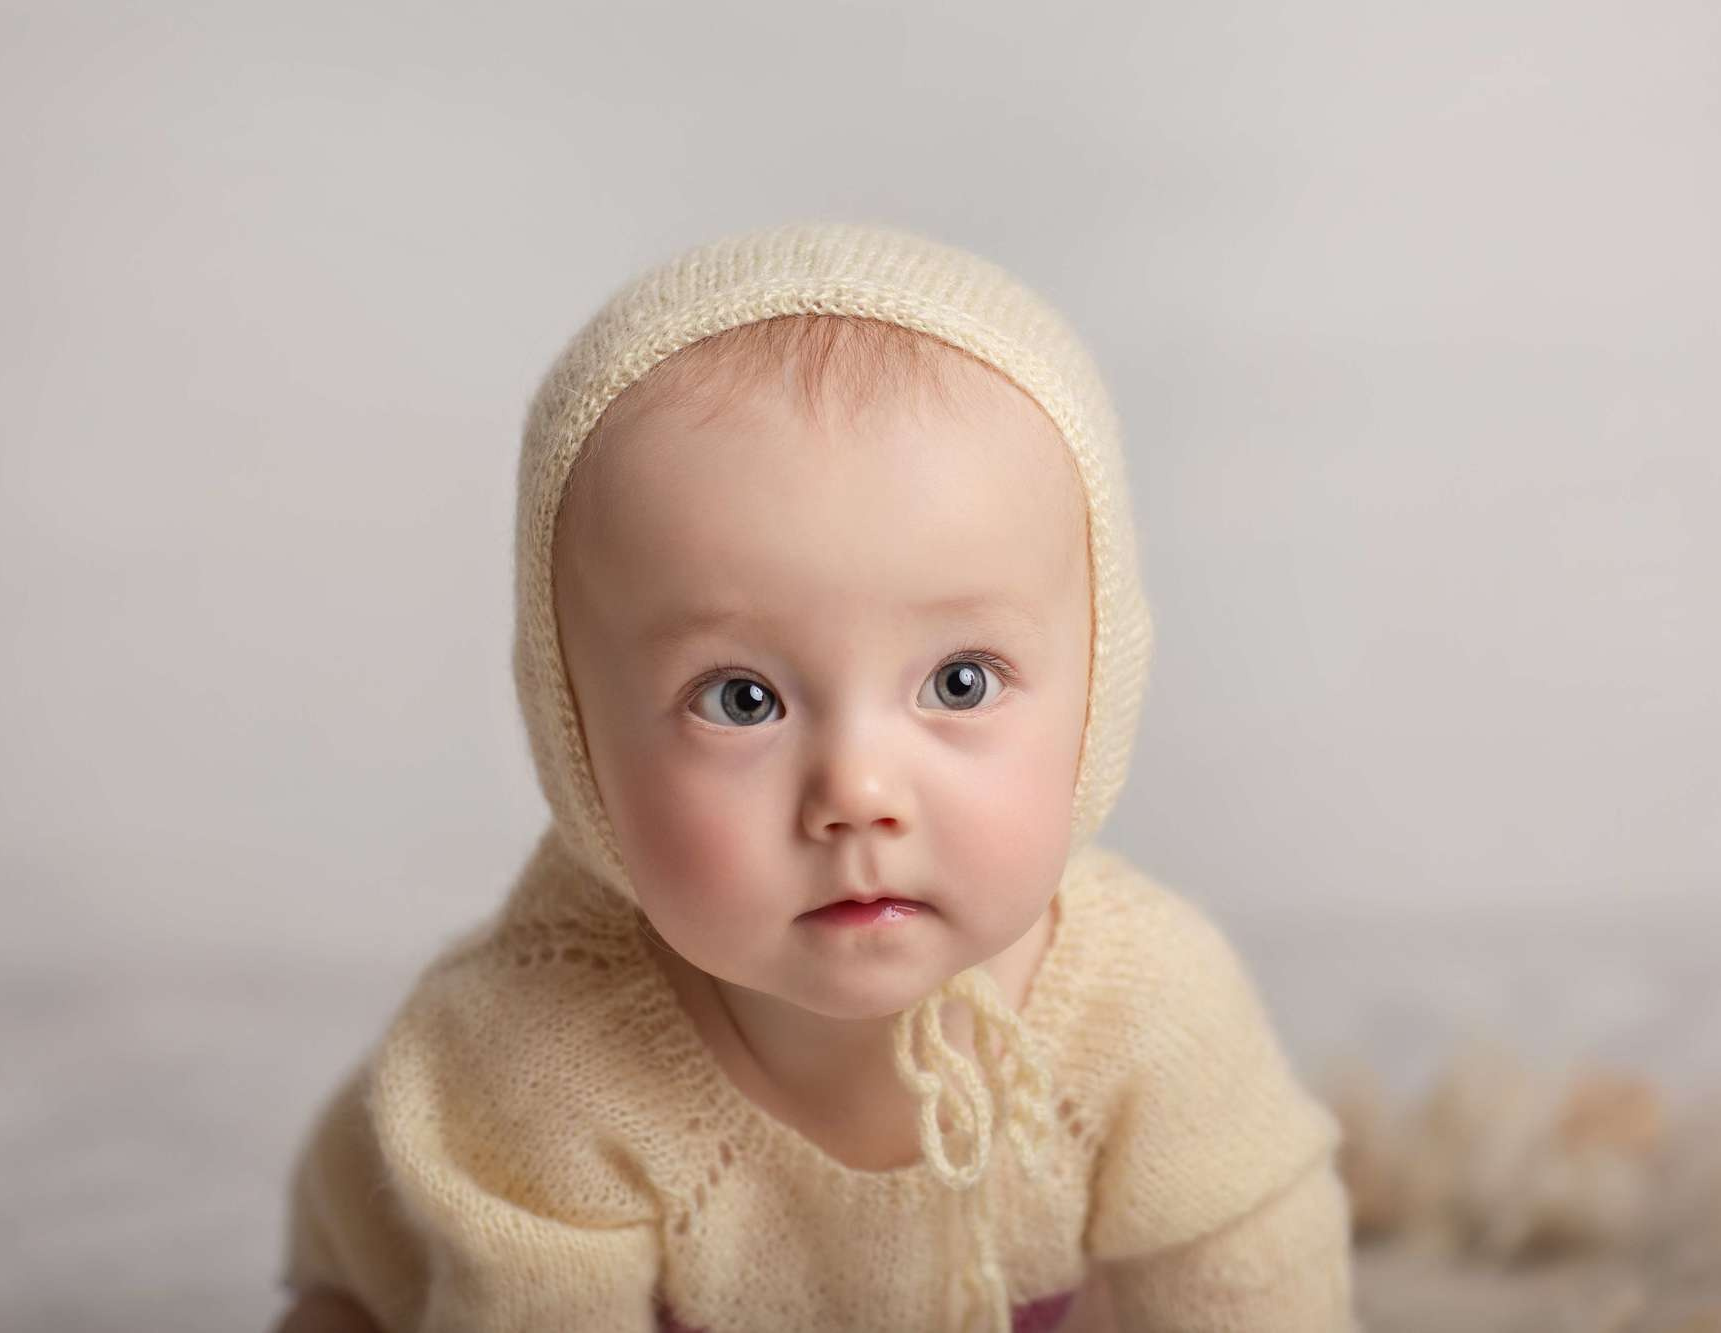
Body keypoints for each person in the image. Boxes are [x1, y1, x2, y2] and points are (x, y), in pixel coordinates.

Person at [272, 221, 1352, 1333]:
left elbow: (1255, 1282)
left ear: (1098, 687)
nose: (857, 793)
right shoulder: (535, 1061)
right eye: (742, 698)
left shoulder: (1150, 1005)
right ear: (574, 734)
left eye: (961, 680)